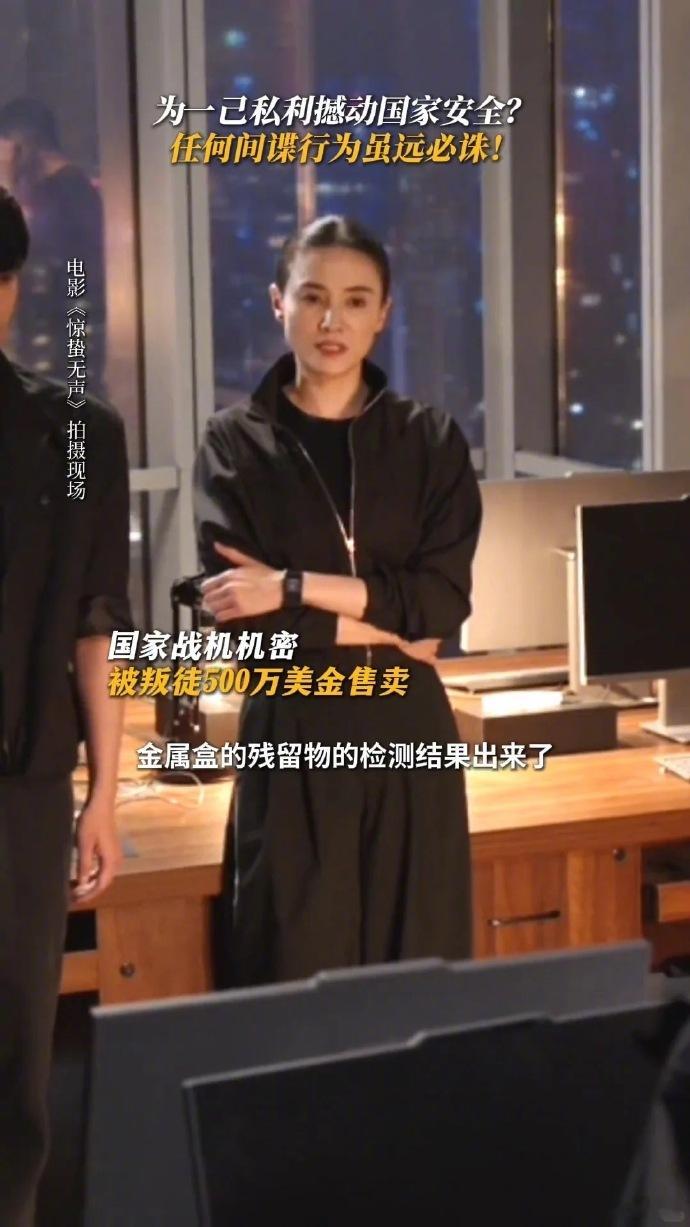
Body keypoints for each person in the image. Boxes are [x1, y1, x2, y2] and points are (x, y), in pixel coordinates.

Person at [194, 214, 482, 987]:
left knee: (419, 989)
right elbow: (248, 631)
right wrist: (393, 627)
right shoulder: (233, 445)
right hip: (294, 735)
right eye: (313, 296)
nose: (333, 321)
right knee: (292, 987)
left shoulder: (431, 441)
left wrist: (291, 585)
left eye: (356, 301)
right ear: (278, 302)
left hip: (408, 740)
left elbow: (441, 607)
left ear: (383, 313)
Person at [0, 187, 131, 1227]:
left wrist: (105, 795)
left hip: (24, 788)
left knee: (16, 1080)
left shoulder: (76, 432)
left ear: (10, 291)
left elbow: (98, 621)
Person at [0, 97, 106, 394]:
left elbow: (28, 252)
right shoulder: (56, 191)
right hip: (54, 337)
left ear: (20, 145)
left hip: (66, 339)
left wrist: (7, 183)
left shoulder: (68, 192)